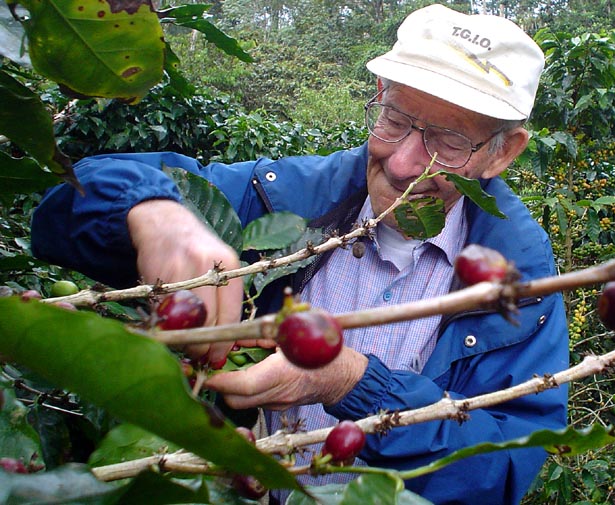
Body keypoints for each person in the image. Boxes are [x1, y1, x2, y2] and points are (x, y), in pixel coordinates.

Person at [31, 4, 569, 503]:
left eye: (448, 144)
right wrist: (153, 213)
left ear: (502, 153)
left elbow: (499, 474)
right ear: (379, 92)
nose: (405, 164)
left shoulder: (520, 287)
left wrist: (352, 383)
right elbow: (65, 203)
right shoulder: (282, 201)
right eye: (396, 120)